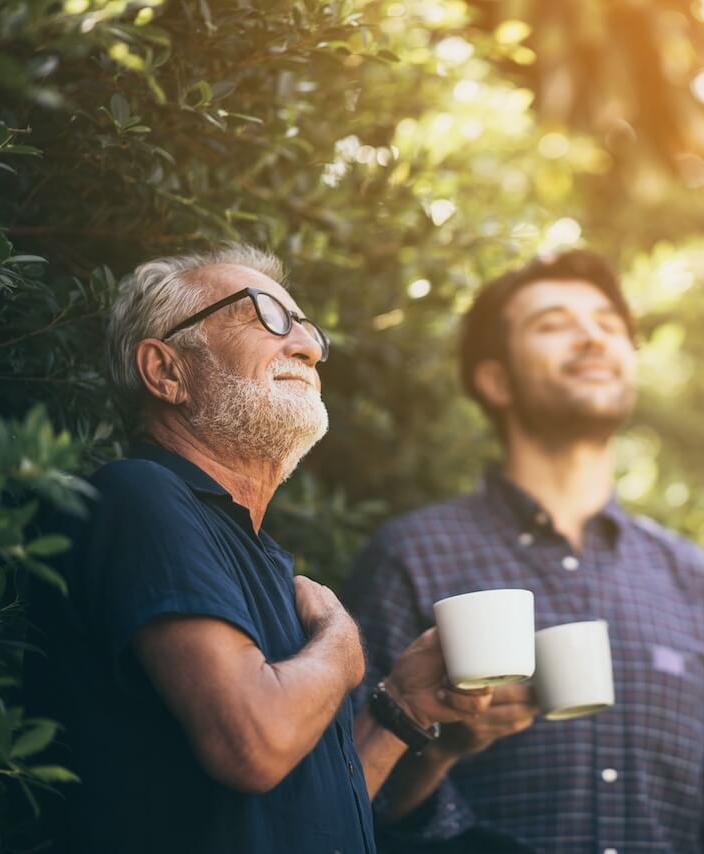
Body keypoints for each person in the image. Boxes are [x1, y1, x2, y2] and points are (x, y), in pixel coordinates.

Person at [27, 245, 490, 854]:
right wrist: (344, 648)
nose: (308, 346)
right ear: (166, 372)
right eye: (268, 316)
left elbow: (306, 807)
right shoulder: (138, 495)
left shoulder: (257, 554)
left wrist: (401, 707)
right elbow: (254, 744)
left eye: (308, 329)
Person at [347, 249, 704, 853]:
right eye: (554, 324)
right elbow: (341, 812)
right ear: (496, 380)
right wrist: (434, 753)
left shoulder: (698, 582)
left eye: (609, 324)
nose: (594, 338)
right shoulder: (409, 557)